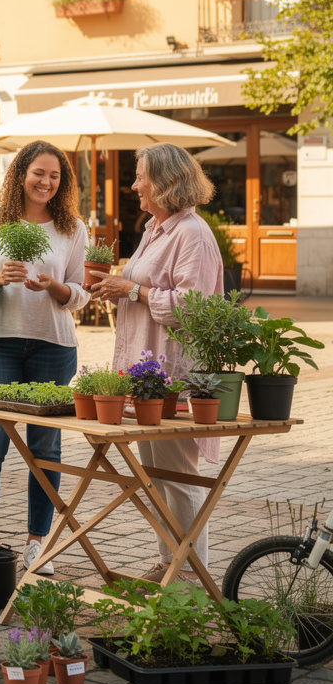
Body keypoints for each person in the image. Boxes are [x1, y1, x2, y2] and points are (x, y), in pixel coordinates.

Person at [0, 140, 89, 578]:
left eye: (55, 176)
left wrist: (54, 287)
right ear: (20, 174)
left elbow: (80, 294)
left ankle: (37, 544)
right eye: (39, 174)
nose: (47, 182)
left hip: (54, 344)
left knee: (46, 447)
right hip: (0, 343)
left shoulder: (73, 228)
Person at [89, 142, 224, 585]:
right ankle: (169, 561)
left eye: (141, 176)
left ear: (166, 182)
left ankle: (190, 574)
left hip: (174, 376)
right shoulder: (155, 228)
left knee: (178, 476)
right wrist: (116, 285)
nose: (134, 185)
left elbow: (194, 306)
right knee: (156, 477)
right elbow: (139, 287)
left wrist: (131, 290)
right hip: (146, 375)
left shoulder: (193, 234)